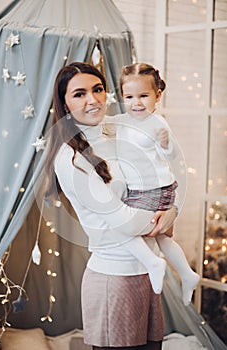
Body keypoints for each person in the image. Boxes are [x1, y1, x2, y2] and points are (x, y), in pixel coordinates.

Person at [45, 61, 177, 350]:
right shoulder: (70, 158)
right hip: (113, 277)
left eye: (98, 89)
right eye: (79, 94)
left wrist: (172, 209)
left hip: (144, 271)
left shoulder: (115, 133)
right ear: (64, 104)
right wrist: (162, 219)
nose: (93, 100)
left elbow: (156, 177)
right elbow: (123, 220)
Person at [109, 62, 200, 305]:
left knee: (120, 228)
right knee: (162, 237)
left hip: (153, 190)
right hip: (147, 190)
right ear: (122, 96)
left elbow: (170, 154)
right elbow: (102, 125)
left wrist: (165, 142)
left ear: (157, 96)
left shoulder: (157, 123)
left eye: (143, 96)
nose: (136, 102)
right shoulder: (122, 120)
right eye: (129, 96)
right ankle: (187, 274)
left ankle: (152, 262)